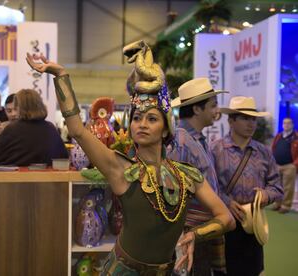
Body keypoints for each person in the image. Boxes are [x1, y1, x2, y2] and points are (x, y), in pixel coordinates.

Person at [26, 40, 235, 275]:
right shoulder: (120, 168)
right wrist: (60, 75)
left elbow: (226, 218)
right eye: (137, 118)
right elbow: (77, 130)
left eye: (152, 119)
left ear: (166, 129)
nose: (142, 124)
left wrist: (193, 235)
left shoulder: (186, 174)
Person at [210, 96, 283, 276]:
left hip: (254, 226)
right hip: (224, 224)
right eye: (245, 118)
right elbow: (207, 185)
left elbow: (277, 186)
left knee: (253, 270)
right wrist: (225, 201)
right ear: (231, 121)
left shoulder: (263, 152)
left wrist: (267, 195)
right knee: (222, 271)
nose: (251, 123)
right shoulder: (215, 149)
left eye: (253, 119)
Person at [168, 78, 228, 276]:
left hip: (200, 232)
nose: (216, 111)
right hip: (189, 233)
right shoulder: (182, 142)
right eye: (213, 105)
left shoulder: (196, 140)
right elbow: (172, 195)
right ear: (196, 110)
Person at [0, 89, 68, 166]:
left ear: (19, 107)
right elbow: (63, 158)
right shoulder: (50, 128)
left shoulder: (11, 129)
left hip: (16, 177)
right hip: (48, 177)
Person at [271, 117, 298, 214]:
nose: (286, 125)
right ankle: (278, 204)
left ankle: (285, 206)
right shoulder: (278, 136)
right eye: (284, 123)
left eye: (288, 123)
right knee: (277, 186)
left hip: (289, 166)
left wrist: (294, 165)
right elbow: (273, 148)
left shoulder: (296, 137)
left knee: (288, 187)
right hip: (277, 165)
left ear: (292, 125)